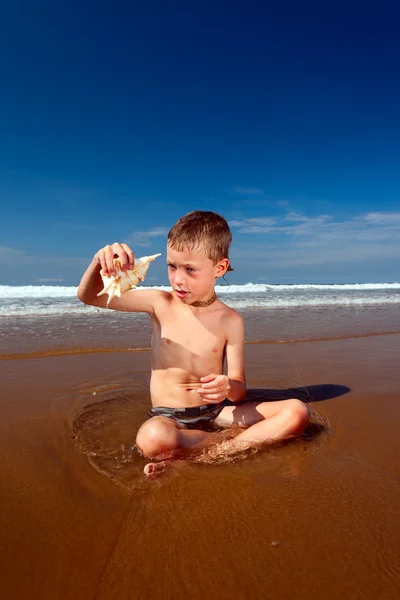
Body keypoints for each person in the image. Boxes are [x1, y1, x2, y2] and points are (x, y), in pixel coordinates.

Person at [77, 210, 310, 478]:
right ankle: (227, 446)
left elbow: (238, 391)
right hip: (169, 417)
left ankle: (208, 453)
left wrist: (227, 386)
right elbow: (90, 296)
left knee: (296, 411)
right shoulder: (159, 303)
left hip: (217, 413)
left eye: (190, 269)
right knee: (152, 437)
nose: (177, 278)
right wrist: (98, 261)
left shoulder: (230, 320)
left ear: (219, 268)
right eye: (172, 266)